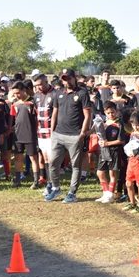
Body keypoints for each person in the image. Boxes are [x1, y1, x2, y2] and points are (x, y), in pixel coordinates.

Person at [45, 69, 92, 203]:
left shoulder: (82, 93)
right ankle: (55, 188)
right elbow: (55, 112)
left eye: (69, 78)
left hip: (75, 135)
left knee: (75, 166)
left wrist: (82, 133)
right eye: (64, 78)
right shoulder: (58, 93)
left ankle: (72, 193)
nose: (67, 81)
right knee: (53, 163)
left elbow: (87, 115)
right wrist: (52, 131)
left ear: (74, 77)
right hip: (58, 134)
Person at [10, 81, 40, 188]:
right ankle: (18, 180)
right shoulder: (15, 104)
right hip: (18, 135)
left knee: (33, 158)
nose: (16, 95)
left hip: (30, 135)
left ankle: (36, 181)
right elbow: (13, 118)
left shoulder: (33, 102)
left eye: (18, 93)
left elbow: (38, 118)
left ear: (24, 90)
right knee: (18, 158)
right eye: (14, 93)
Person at [95, 101, 125, 203]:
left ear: (116, 111)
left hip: (114, 151)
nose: (111, 114)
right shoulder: (103, 123)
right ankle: (105, 193)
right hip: (104, 151)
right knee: (100, 173)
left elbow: (121, 140)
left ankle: (111, 194)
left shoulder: (119, 124)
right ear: (105, 113)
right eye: (108, 113)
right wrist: (100, 141)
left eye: (113, 112)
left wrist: (107, 143)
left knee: (112, 174)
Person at [33, 73, 56, 190]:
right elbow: (36, 112)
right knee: (45, 157)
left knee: (52, 158)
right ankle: (49, 182)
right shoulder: (36, 96)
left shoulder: (55, 94)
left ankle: (54, 183)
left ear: (46, 82)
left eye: (40, 84)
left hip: (52, 132)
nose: (38, 87)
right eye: (36, 85)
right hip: (40, 132)